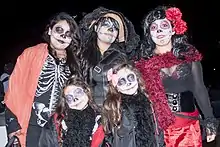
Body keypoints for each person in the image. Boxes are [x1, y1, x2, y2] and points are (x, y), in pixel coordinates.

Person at [135, 6, 219, 146]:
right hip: (158, 131)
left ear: (173, 30)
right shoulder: (143, 62)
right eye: (154, 27)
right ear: (149, 34)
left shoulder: (189, 56)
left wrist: (209, 120)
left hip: (188, 128)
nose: (159, 30)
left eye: (164, 25)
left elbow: (199, 89)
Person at [4, 12, 82, 147]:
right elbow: (14, 90)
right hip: (31, 126)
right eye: (59, 30)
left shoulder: (75, 62)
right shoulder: (31, 54)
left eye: (68, 34)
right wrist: (12, 124)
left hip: (61, 130)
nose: (63, 36)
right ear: (50, 30)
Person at [79, 7, 140, 106]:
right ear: (95, 28)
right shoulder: (81, 54)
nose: (110, 29)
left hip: (116, 109)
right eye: (105, 24)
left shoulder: (123, 57)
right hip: (88, 108)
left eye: (115, 28)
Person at [102, 62, 158, 147]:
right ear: (116, 87)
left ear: (137, 78)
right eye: (122, 81)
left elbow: (157, 130)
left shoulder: (148, 100)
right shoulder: (115, 107)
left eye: (130, 78)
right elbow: (111, 138)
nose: (128, 83)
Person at [39, 75, 104, 147]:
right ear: (65, 101)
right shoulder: (56, 122)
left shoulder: (101, 121)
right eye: (69, 98)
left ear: (86, 91)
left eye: (78, 92)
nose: (75, 99)